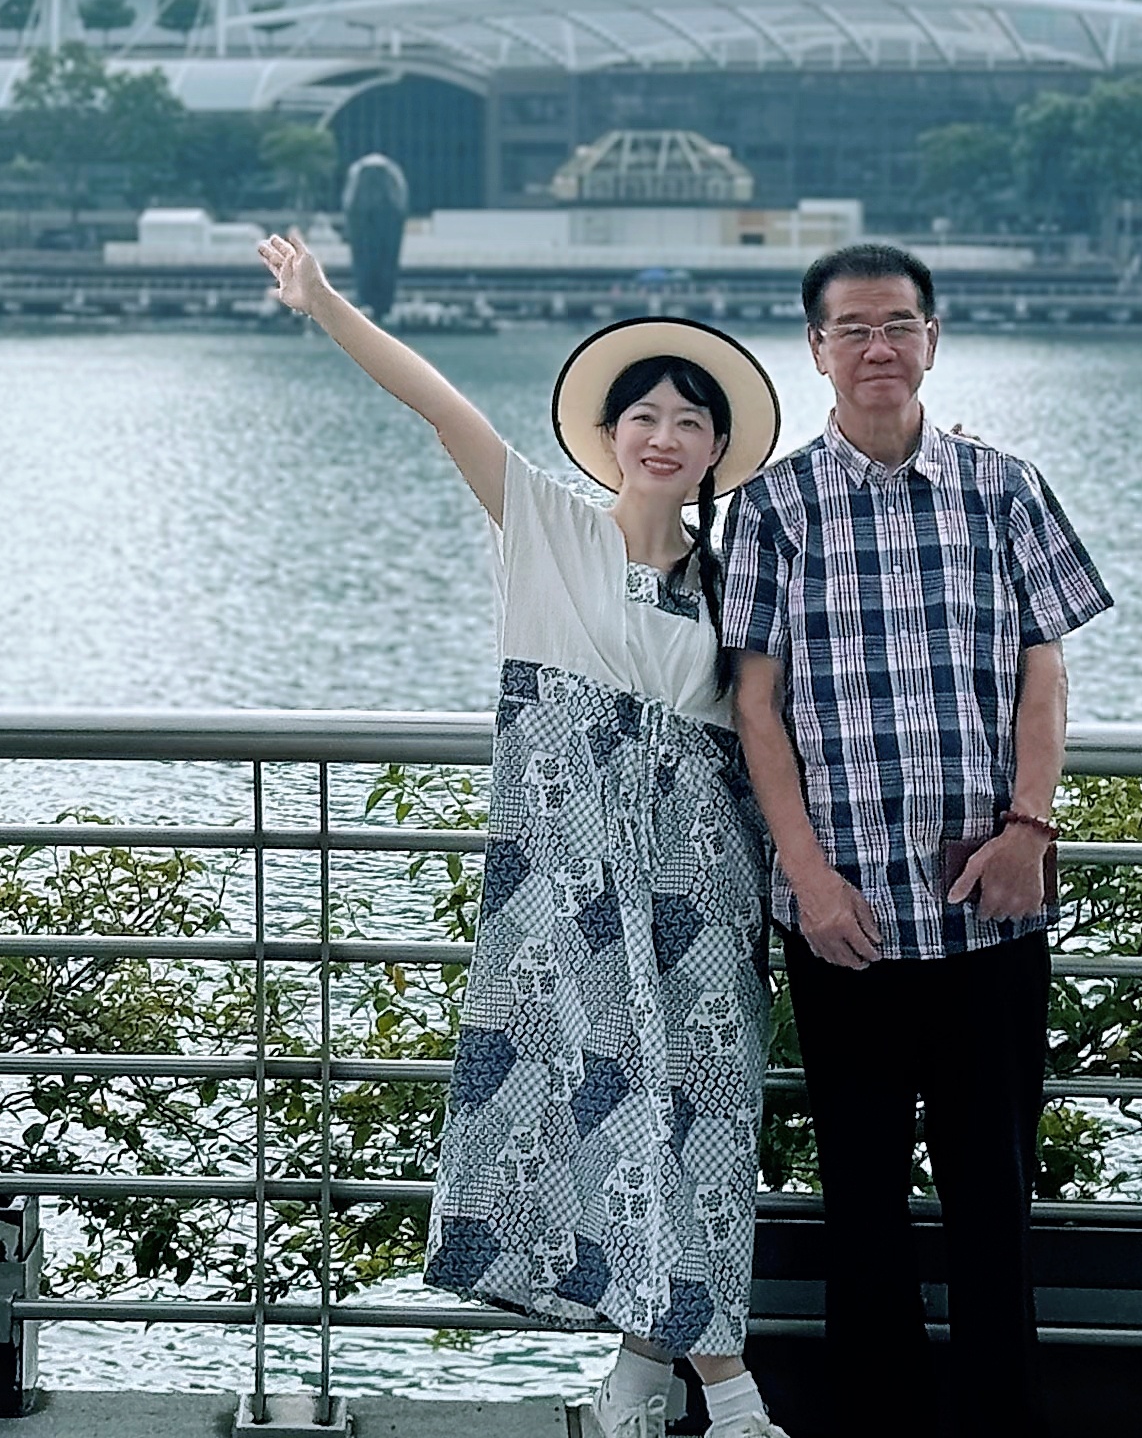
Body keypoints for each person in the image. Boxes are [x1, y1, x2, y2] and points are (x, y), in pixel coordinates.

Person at [257, 230, 792, 1438]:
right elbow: (434, 402)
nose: (664, 435)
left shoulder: (733, 576)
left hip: (704, 878)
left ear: (717, 451)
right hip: (574, 873)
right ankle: (732, 1392)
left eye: (689, 423)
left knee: (704, 1109)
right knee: (618, 1109)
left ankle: (640, 1381)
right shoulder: (542, 527)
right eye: (643, 414)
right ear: (610, 434)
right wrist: (325, 305)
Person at [723, 240, 1113, 1435]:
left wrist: (1028, 830)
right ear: (817, 350)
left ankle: (1002, 1421)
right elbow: (754, 704)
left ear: (933, 339)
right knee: (863, 1205)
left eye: (898, 325)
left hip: (989, 897)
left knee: (997, 1196)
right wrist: (806, 876)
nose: (877, 348)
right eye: (853, 329)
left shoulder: (1005, 486)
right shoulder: (774, 507)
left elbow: (1045, 669)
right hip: (846, 916)